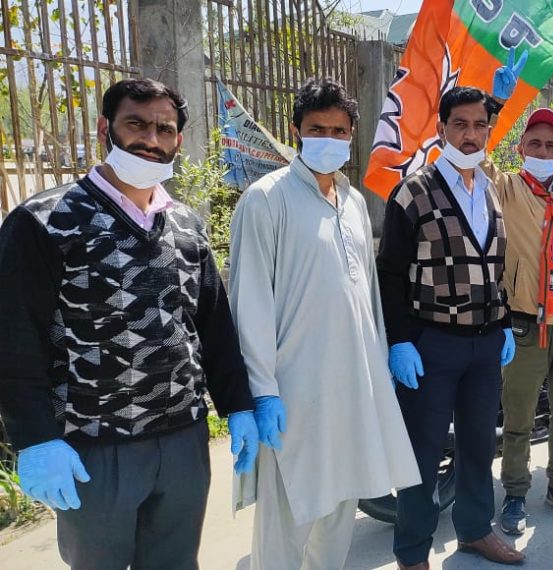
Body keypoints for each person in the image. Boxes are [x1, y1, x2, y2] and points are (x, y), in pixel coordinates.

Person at [0, 78, 257, 569]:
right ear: (105, 129)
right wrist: (35, 439)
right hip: (95, 449)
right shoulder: (46, 221)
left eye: (165, 128)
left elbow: (213, 328)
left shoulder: (186, 224)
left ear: (179, 139)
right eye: (135, 124)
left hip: (183, 440)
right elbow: (13, 340)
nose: (151, 139)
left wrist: (239, 404)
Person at [228, 77, 420, 570]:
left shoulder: (354, 203)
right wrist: (262, 391)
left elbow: (368, 299)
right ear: (295, 130)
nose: (329, 140)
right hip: (293, 394)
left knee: (338, 513)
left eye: (339, 131)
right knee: (287, 522)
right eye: (318, 129)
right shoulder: (265, 199)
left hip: (351, 389)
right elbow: (248, 301)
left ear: (351, 135)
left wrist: (380, 365)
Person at [378, 72, 525, 567]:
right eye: (459, 124)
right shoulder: (413, 191)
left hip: (485, 346)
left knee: (479, 446)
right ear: (441, 129)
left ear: (488, 130)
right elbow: (390, 271)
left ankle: (475, 530)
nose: (470, 133)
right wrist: (400, 342)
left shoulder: (490, 190)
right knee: (421, 455)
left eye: (480, 125)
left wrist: (503, 321)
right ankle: (413, 550)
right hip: (431, 344)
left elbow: (494, 266)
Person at [479, 107, 553, 534]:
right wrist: (493, 108)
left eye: (550, 145)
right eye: (535, 144)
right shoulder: (507, 188)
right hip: (526, 324)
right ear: (521, 148)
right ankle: (514, 494)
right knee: (519, 419)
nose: (543, 151)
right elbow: (478, 158)